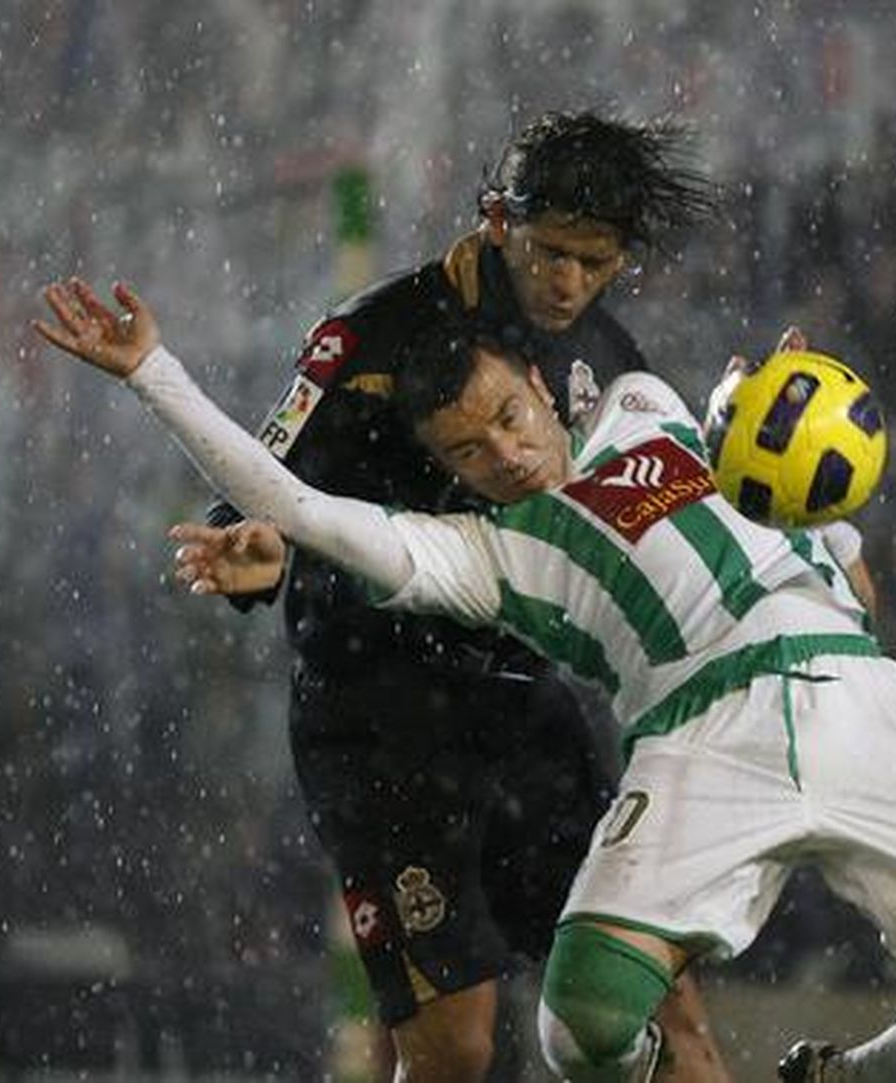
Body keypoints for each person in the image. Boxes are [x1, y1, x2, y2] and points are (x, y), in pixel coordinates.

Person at [33, 278, 896, 1083]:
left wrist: (787, 402)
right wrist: (154, 374)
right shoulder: (482, 557)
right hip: (699, 731)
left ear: (541, 384)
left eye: (507, 414)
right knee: (583, 1022)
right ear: (449, 470)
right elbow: (299, 508)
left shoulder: (642, 401)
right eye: (470, 450)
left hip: (862, 699)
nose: (506, 450)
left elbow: (760, 432)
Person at [187, 111, 729, 1082]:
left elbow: (661, 509)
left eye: (594, 261)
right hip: (378, 722)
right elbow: (256, 488)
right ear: (494, 220)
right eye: (551, 250)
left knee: (658, 1000)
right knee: (453, 1048)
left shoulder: (608, 359)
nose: (569, 280)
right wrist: (256, 549)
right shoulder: (369, 335)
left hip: (526, 705)